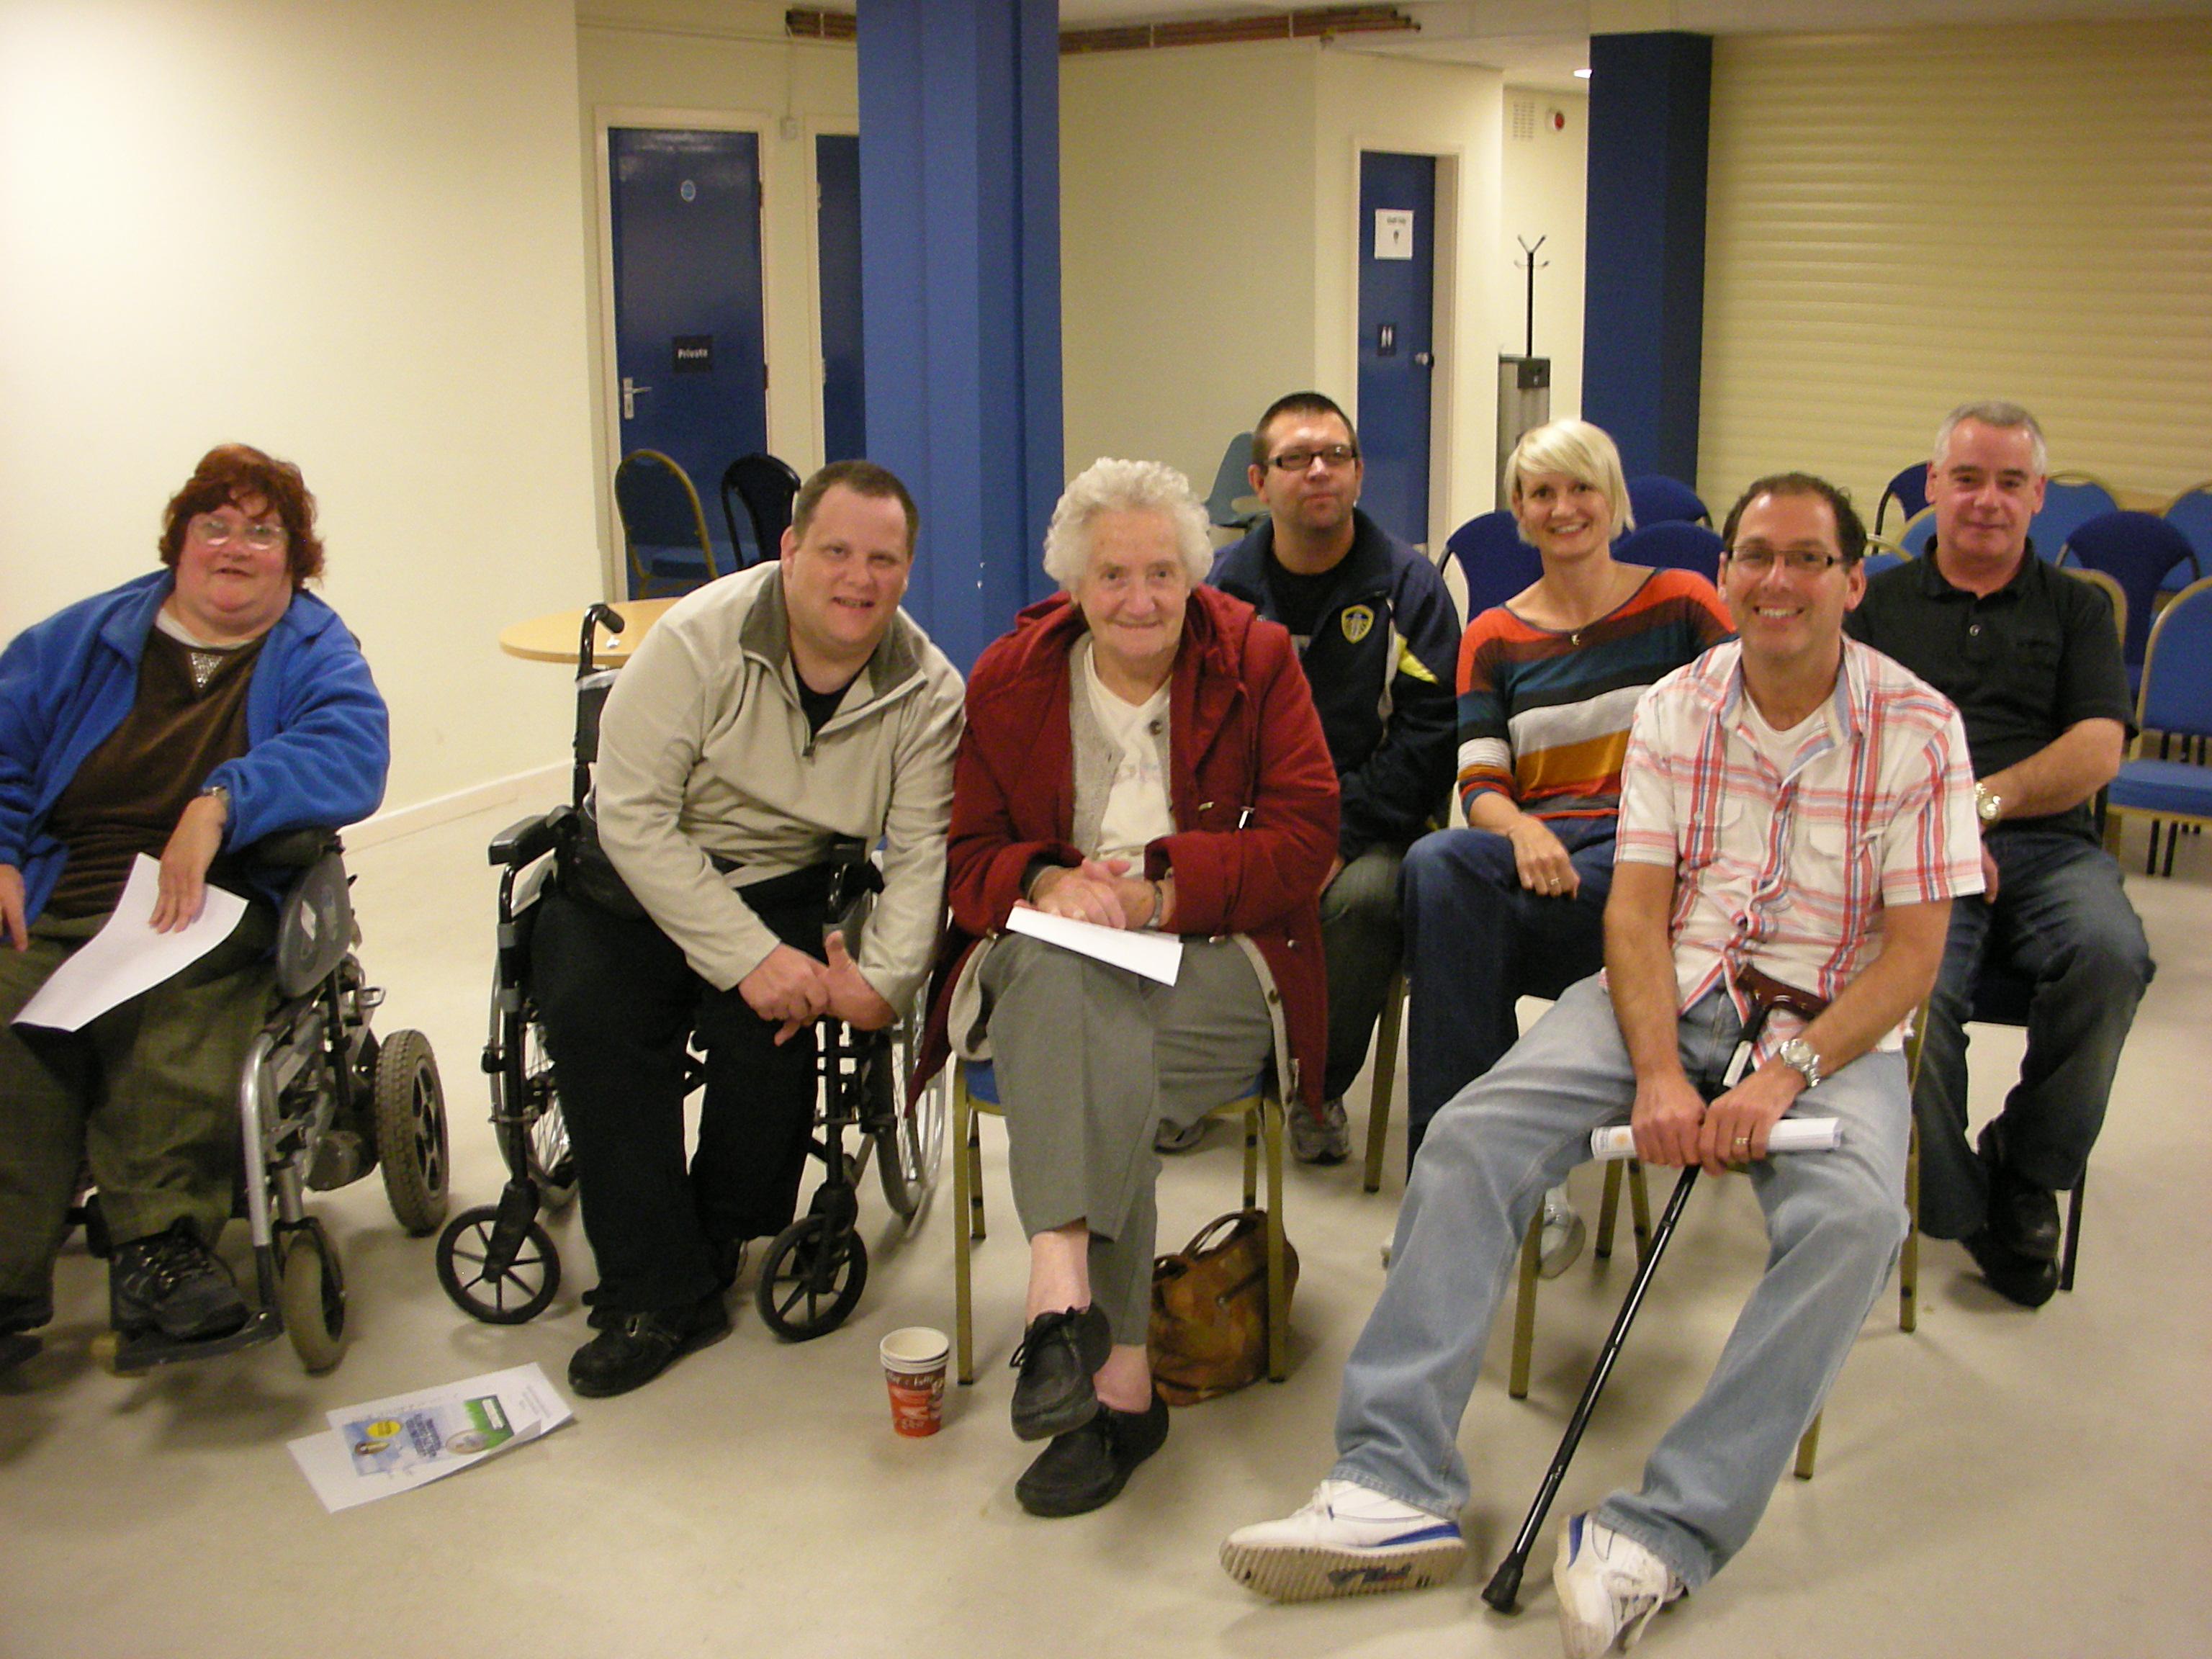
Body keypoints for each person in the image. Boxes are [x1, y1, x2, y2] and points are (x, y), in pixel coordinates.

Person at [1221, 475, 1980, 1659]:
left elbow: (1914, 955)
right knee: (1472, 1134)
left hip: (1831, 1027)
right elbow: (1632, 914)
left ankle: (1663, 1529)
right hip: (1669, 995)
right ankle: (1392, 1480)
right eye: (1753, 556)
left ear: (1850, 579)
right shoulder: (1681, 702)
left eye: (1806, 558)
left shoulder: (1919, 725)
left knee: (1854, 1221)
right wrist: (1659, 1069)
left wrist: (1778, 1075)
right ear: (1723, 575)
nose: (1776, 580)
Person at [914, 457, 1337, 1517]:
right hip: (1052, 962)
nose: (1138, 599)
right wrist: (1050, 879)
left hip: (1215, 962)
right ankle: (1115, 1371)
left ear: (1196, 576)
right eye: (1112, 576)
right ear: (1073, 584)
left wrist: (1156, 894)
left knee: (1096, 1050)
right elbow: (968, 864)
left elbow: (1305, 841)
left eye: (1160, 572)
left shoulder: (1260, 660)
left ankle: (1066, 1309)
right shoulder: (1010, 680)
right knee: (1078, 997)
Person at [531, 459, 963, 1399]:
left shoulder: (929, 691)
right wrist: (746, 956)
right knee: (597, 1022)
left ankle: (716, 1238)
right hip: (636, 878)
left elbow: (925, 849)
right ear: (791, 551)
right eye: (838, 551)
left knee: (772, 1044)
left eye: (884, 559)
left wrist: (883, 982)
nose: (860, 578)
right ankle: (652, 1293)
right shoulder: (698, 639)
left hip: (786, 877)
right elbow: (633, 815)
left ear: (906, 570)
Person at [0, 444, 390, 1372]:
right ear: (179, 543)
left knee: (171, 1009)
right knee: (12, 1023)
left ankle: (158, 1247)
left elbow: (351, 751)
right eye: (214, 525)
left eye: (264, 532)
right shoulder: (82, 639)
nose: (236, 547)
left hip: (215, 901)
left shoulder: (310, 647)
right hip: (68, 894)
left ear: (294, 562)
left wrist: (222, 802)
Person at [1400, 418, 1731, 1274]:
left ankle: (1485, 1180)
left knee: (1461, 933)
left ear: (1613, 499)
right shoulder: (1496, 636)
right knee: (1438, 867)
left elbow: (1746, 738)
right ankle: (1467, 1176)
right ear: (1520, 509)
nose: (1564, 507)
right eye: (1542, 492)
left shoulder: (1684, 603)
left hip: (1662, 871)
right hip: (1545, 861)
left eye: (1581, 487)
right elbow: (1479, 780)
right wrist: (1518, 828)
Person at [1846, 400, 2152, 1308]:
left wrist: (1983, 803)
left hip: (2048, 846)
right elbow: (1849, 740)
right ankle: (1955, 1202)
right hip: (1910, 850)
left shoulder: (2079, 608)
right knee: (1913, 996)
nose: (1987, 501)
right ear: (1932, 487)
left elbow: (2099, 749)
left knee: (2111, 958)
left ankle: (2024, 1168)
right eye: (1968, 479)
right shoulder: (1878, 603)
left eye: (2010, 483)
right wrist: (1939, 828)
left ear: (2039, 496)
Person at [1208, 392, 1457, 1164]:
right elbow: (1206, 729)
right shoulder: (1223, 592)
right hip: (1255, 819)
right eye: (1295, 459)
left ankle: (1311, 1089)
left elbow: (1428, 741)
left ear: (1356, 474)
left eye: (1336, 456)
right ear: (1259, 479)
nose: (1318, 471)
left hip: (1376, 827)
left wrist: (1334, 839)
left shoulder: (1410, 590)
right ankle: (1205, 1076)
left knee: (1363, 902)